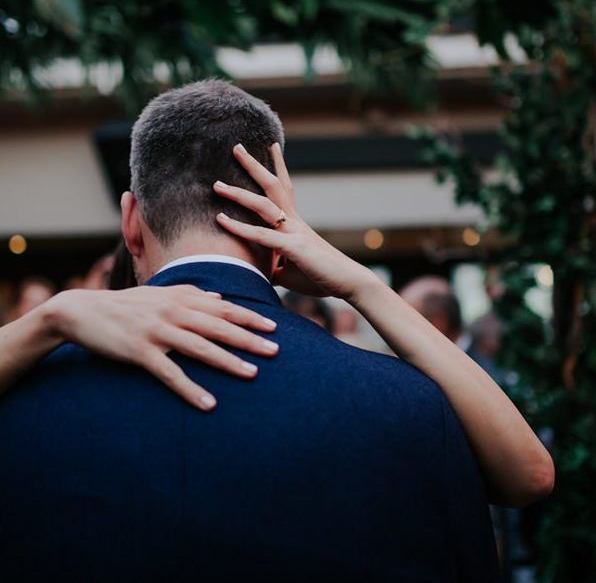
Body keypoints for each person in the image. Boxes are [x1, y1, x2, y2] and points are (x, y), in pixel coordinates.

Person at [0, 80, 552, 581]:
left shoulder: (23, 399)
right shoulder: (408, 406)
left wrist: (49, 320)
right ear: (278, 227)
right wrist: (363, 285)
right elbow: (524, 486)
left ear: (131, 223)